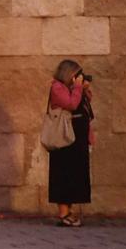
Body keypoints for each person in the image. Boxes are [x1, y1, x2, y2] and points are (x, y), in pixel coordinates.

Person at [48, 60, 93, 227]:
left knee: (76, 174)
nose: (79, 78)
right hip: (64, 139)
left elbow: (84, 106)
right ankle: (63, 212)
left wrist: (85, 89)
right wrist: (78, 88)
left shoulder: (74, 88)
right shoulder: (57, 87)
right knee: (63, 173)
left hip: (77, 138)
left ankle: (69, 210)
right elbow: (71, 104)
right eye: (77, 74)